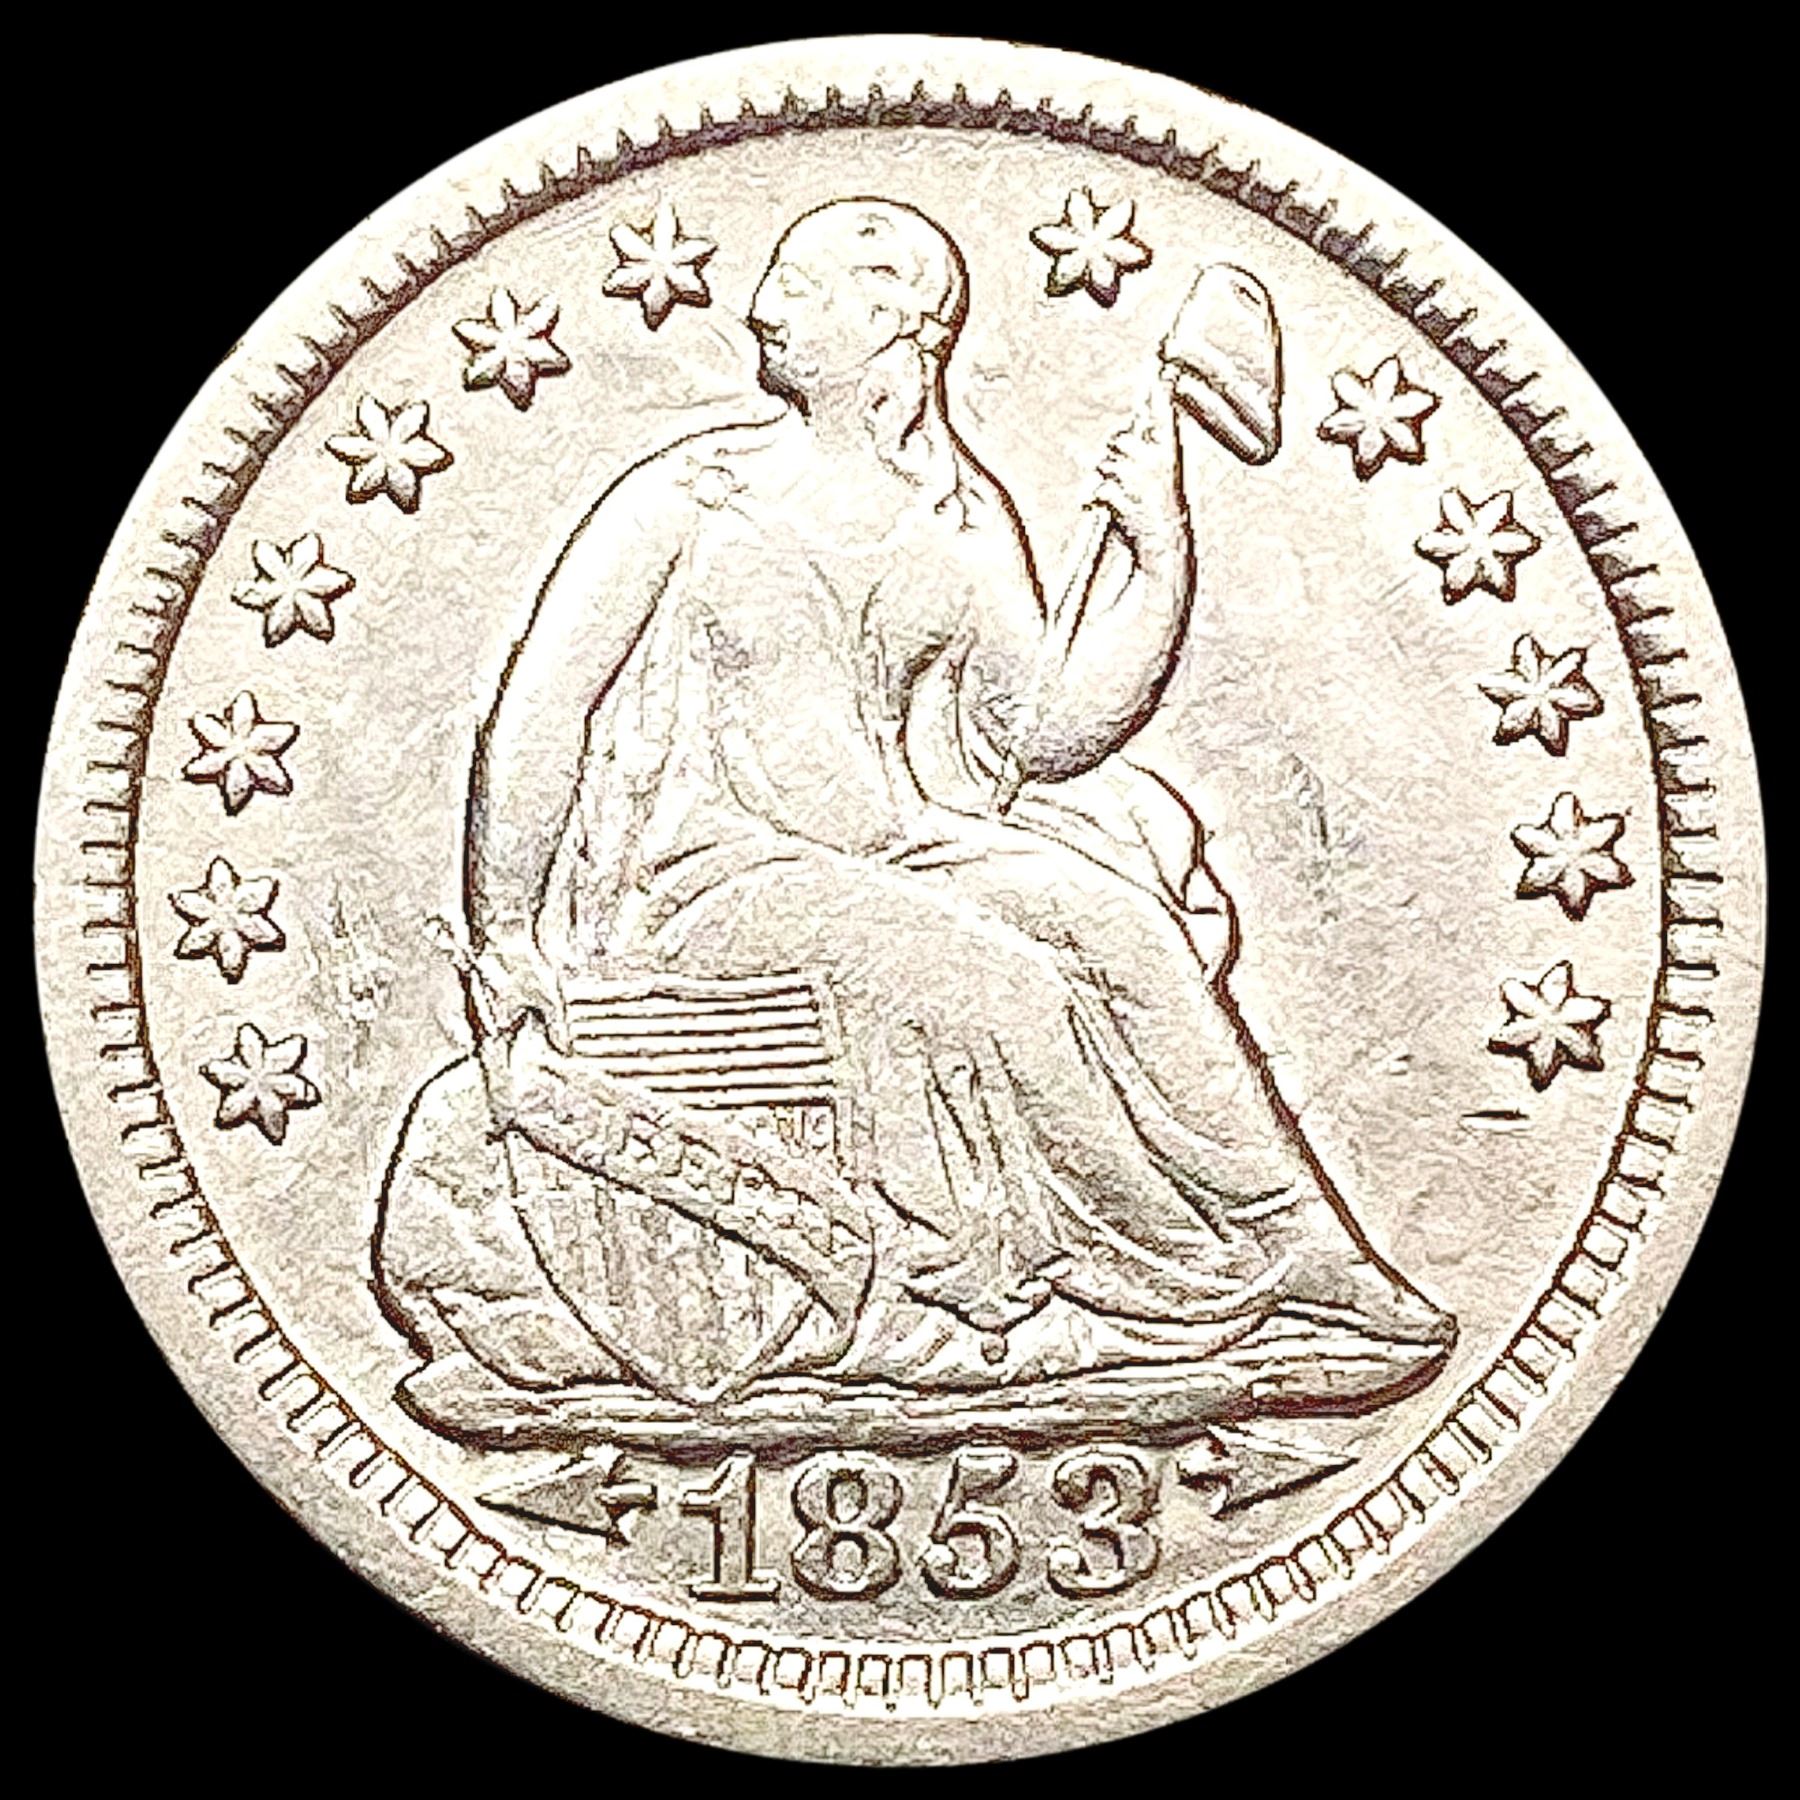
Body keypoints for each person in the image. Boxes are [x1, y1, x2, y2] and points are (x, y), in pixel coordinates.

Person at [375, 198, 1453, 1424]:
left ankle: (1300, 1244)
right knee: (1001, 983)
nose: (760, 310)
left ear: (896, 322)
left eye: (798, 286)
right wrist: (507, 931)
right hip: (706, 883)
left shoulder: (959, 515)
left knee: (1124, 933)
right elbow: (541, 709)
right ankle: (1177, 1282)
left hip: (902, 852)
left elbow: (1042, 733)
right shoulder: (689, 497)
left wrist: (1160, 551)